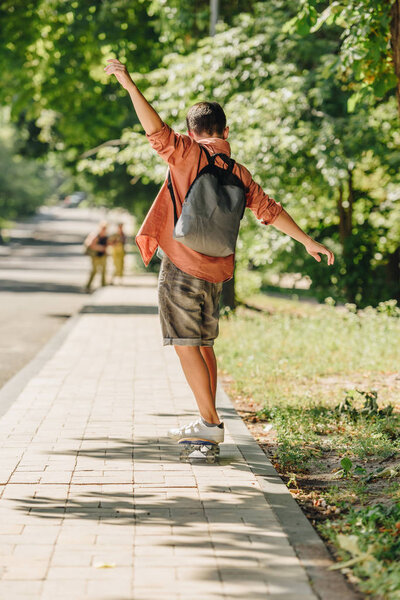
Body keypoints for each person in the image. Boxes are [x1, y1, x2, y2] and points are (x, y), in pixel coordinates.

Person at [104, 59, 334, 444]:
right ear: (225, 131)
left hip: (181, 265)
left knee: (184, 344)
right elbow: (270, 211)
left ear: (192, 132)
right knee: (204, 344)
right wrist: (308, 240)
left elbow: (155, 130)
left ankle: (210, 426)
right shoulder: (238, 172)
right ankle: (208, 420)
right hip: (216, 271)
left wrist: (129, 85)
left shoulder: (188, 154)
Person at [84, 221, 109, 292]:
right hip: (95, 256)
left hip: (102, 255)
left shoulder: (105, 236)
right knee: (94, 271)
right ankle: (88, 286)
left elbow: (107, 245)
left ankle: (103, 286)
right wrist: (100, 248)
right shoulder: (95, 235)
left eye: (105, 228)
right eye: (103, 228)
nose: (104, 229)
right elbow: (91, 245)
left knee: (104, 270)